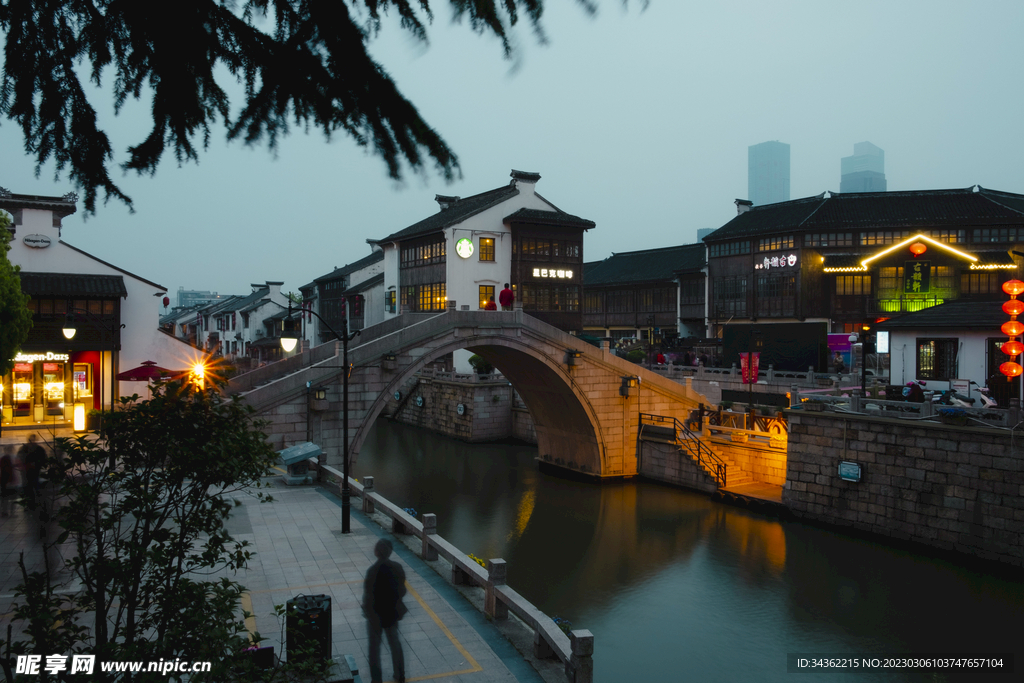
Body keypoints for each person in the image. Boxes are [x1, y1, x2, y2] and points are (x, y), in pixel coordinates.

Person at [363, 539, 407, 683]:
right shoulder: (397, 568)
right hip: (392, 613)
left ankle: (377, 680)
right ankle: (400, 675)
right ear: (390, 552)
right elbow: (402, 591)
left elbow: (368, 595)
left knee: (374, 649)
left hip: (375, 615)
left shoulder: (372, 571)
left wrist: (366, 610)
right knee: (395, 644)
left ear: (376, 552)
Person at [17, 434, 45, 510]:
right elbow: (43, 459)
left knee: (29, 487)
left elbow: (20, 456)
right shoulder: (38, 449)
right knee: (32, 487)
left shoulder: (24, 448)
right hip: (31, 471)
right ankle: (33, 504)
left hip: (28, 471)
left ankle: (30, 504)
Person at [1, 445, 15, 517]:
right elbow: (9, 470)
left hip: (4, 479)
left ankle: (4, 511)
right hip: (7, 480)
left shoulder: (4, 458)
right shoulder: (7, 458)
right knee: (10, 496)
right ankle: (9, 512)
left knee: (4, 497)